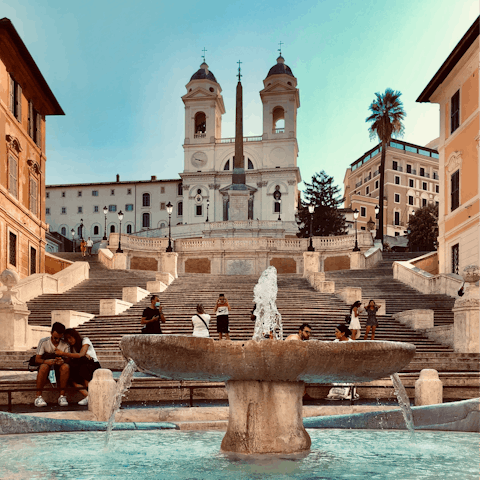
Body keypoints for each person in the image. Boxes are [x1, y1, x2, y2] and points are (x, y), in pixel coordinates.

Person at [55, 328, 101, 406]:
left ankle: (90, 396)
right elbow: (71, 359)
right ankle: (89, 396)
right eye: (67, 339)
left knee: (83, 361)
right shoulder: (71, 347)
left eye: (70, 337)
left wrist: (63, 353)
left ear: (75, 336)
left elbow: (81, 354)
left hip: (91, 365)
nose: (69, 340)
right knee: (71, 376)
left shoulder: (85, 340)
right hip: (80, 366)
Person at [34, 322, 70, 407]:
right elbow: (37, 359)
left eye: (59, 338)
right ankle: (38, 396)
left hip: (59, 369)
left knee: (66, 367)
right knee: (44, 366)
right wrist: (47, 361)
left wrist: (62, 360)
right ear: (51, 333)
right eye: (55, 338)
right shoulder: (43, 341)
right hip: (46, 367)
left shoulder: (65, 344)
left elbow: (68, 360)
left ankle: (62, 396)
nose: (57, 340)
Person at [327, 324, 359, 400]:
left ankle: (348, 392)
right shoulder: (335, 342)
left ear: (343, 333)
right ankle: (341, 393)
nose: (335, 333)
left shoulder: (351, 343)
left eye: (337, 332)